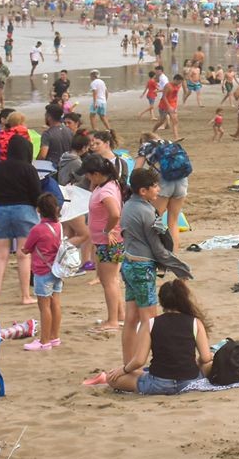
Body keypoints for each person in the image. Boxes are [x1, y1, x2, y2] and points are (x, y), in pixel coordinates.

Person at [119, 167, 193, 378]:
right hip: (143, 268)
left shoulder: (128, 206)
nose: (159, 189)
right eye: (155, 186)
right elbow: (158, 250)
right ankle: (140, 365)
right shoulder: (147, 212)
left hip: (129, 264)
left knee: (131, 317)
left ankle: (130, 364)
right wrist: (181, 268)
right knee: (149, 319)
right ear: (143, 190)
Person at [97, 280, 214, 395]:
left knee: (112, 378)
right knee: (210, 364)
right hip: (190, 381)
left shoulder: (151, 323)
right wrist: (202, 360)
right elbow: (205, 358)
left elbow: (139, 360)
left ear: (161, 301)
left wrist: (123, 370)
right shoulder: (195, 322)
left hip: (158, 383)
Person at [0, 131, 42, 308]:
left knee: (0, 256)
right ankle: (25, 295)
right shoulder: (28, 168)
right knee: (23, 255)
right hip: (24, 211)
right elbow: (36, 194)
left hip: (1, 211)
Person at [81, 153, 125, 331]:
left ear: (97, 173)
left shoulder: (106, 190)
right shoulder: (108, 184)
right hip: (104, 240)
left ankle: (112, 320)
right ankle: (119, 315)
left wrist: (107, 230)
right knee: (111, 280)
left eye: (89, 174)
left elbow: (115, 213)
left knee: (109, 282)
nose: (86, 177)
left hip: (108, 241)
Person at [19, 192, 66, 351]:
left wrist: (24, 249)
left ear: (39, 210)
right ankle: (54, 336)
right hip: (57, 270)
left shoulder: (37, 229)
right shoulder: (59, 226)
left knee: (44, 306)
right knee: (56, 304)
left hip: (42, 271)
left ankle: (44, 340)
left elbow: (27, 248)